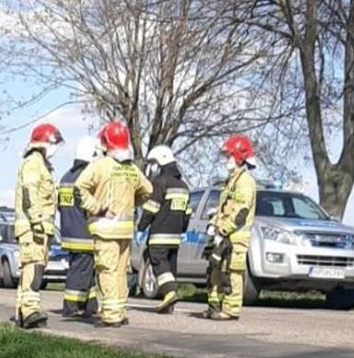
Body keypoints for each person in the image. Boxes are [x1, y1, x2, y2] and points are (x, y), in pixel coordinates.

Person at [76, 120, 153, 327]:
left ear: (105, 143)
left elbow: (79, 189)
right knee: (120, 272)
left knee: (107, 271)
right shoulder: (132, 170)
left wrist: (98, 207)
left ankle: (110, 315)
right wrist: (131, 204)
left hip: (105, 228)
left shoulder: (99, 166)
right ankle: (119, 311)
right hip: (125, 231)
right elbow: (148, 191)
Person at [13, 122, 64, 329]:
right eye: (53, 143)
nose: (55, 148)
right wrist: (36, 221)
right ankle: (30, 310)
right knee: (34, 269)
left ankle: (23, 312)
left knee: (31, 269)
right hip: (33, 228)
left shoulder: (43, 165)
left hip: (41, 228)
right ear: (42, 143)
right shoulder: (33, 163)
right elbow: (29, 193)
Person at [204, 134, 258, 320]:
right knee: (215, 271)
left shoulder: (245, 181)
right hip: (223, 235)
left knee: (232, 272)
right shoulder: (231, 180)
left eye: (229, 155)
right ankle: (215, 306)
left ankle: (231, 309)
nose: (226, 160)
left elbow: (241, 211)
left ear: (239, 156)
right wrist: (213, 225)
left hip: (236, 237)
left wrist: (224, 229)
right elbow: (223, 208)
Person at [137, 145, 191, 314]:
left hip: (160, 234)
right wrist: (182, 230)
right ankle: (169, 304)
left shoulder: (160, 182)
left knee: (158, 262)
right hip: (175, 236)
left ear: (160, 161)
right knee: (170, 266)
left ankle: (169, 291)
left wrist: (141, 227)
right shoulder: (183, 185)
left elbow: (151, 208)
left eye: (154, 163)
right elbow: (187, 213)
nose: (153, 166)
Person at [58, 136, 102, 318]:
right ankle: (71, 306)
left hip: (69, 232)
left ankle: (90, 305)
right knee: (80, 271)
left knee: (86, 272)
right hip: (84, 234)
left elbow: (61, 207)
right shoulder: (87, 177)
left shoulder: (65, 177)